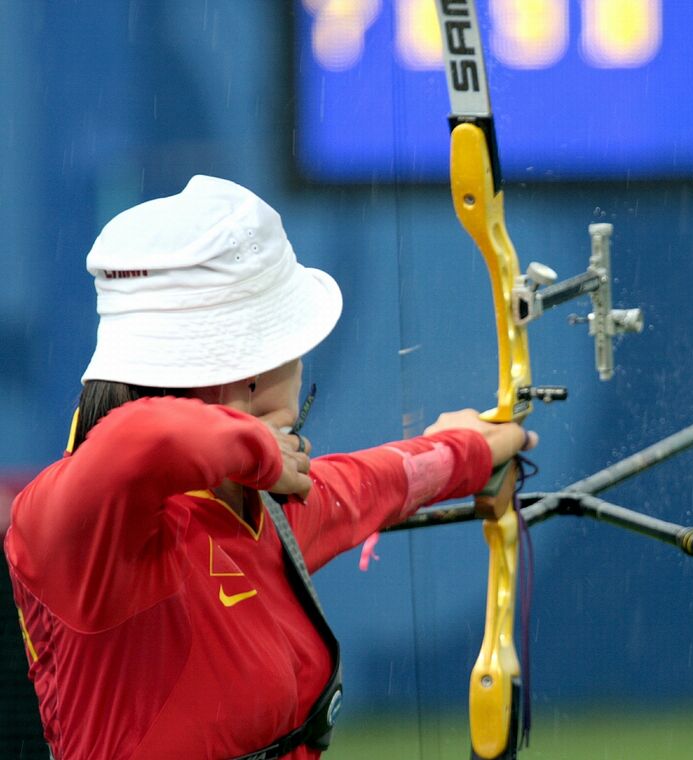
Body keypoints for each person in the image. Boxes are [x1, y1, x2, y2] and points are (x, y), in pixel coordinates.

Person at [3, 175, 534, 759]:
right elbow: (140, 438)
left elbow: (369, 485)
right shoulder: (73, 526)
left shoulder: (256, 512)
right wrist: (258, 448)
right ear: (252, 372)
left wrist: (465, 451)